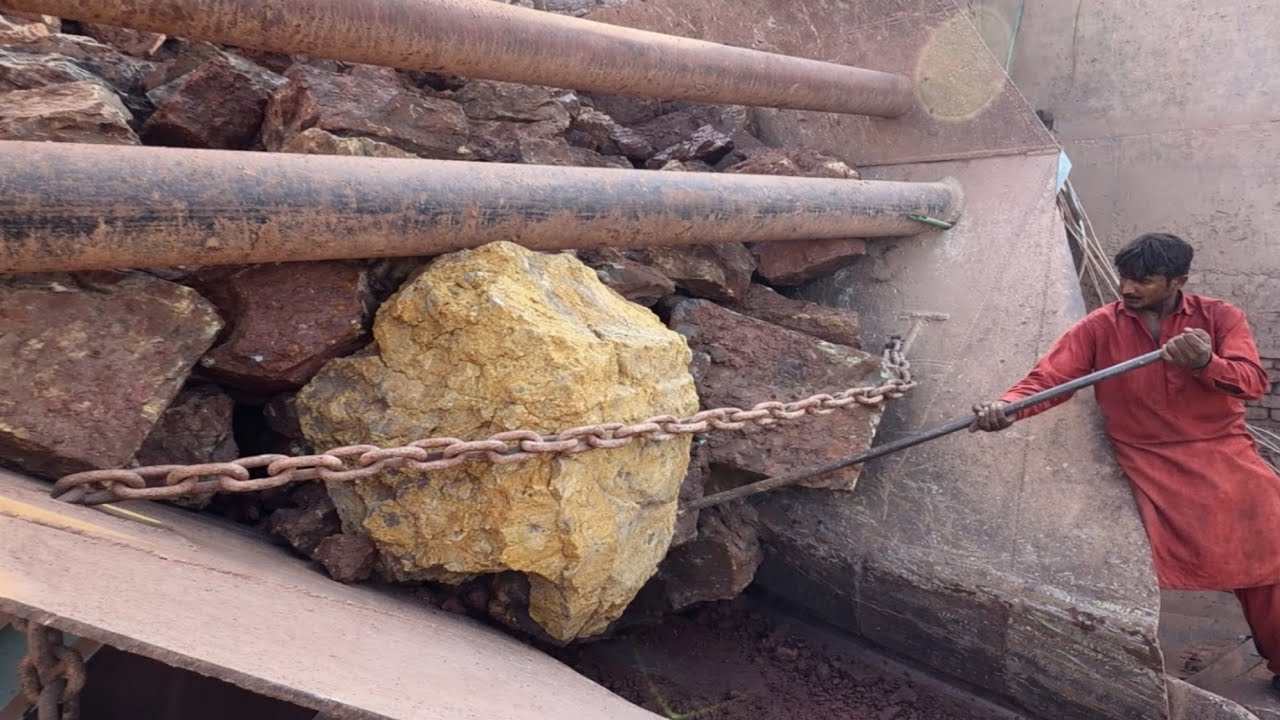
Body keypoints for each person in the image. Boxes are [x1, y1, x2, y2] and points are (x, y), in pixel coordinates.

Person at [970, 232, 1280, 694]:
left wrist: (1205, 363)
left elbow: (1253, 383)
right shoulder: (1100, 326)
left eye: (1144, 280)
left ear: (1179, 280)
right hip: (1142, 462)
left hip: (1221, 453)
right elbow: (1050, 378)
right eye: (1125, 278)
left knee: (1269, 554)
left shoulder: (1219, 317)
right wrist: (1007, 407)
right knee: (1121, 564)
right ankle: (1118, 669)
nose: (1128, 289)